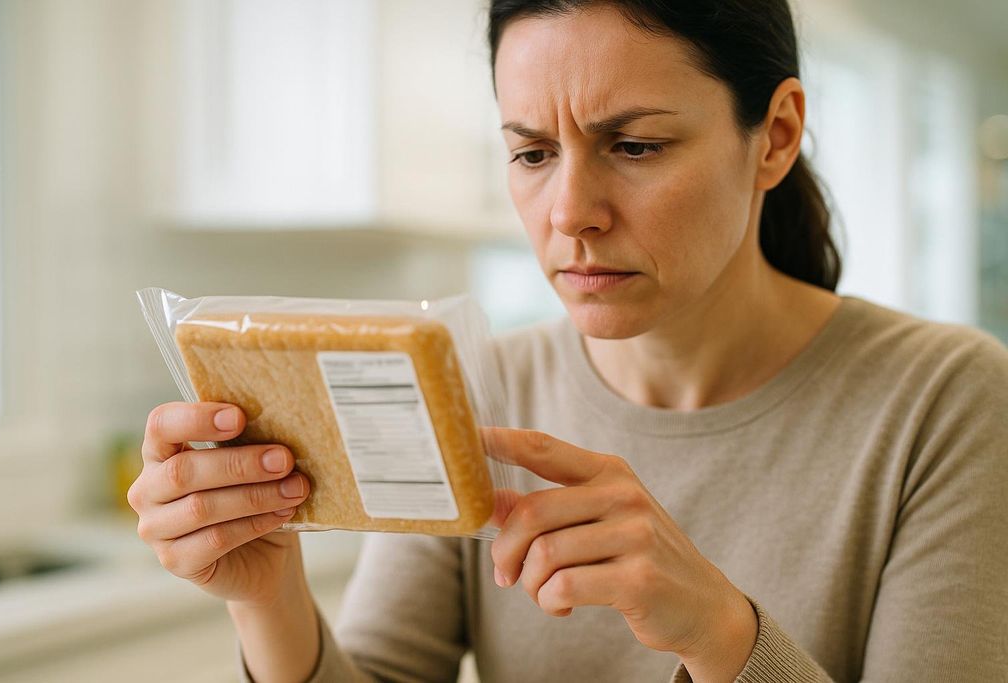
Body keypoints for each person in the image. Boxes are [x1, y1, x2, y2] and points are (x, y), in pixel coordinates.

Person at [127, 1, 1008, 681]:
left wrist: (720, 632)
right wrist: (271, 600)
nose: (569, 215)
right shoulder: (470, 389)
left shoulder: (946, 401)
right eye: (532, 153)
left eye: (634, 144)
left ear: (774, 136)